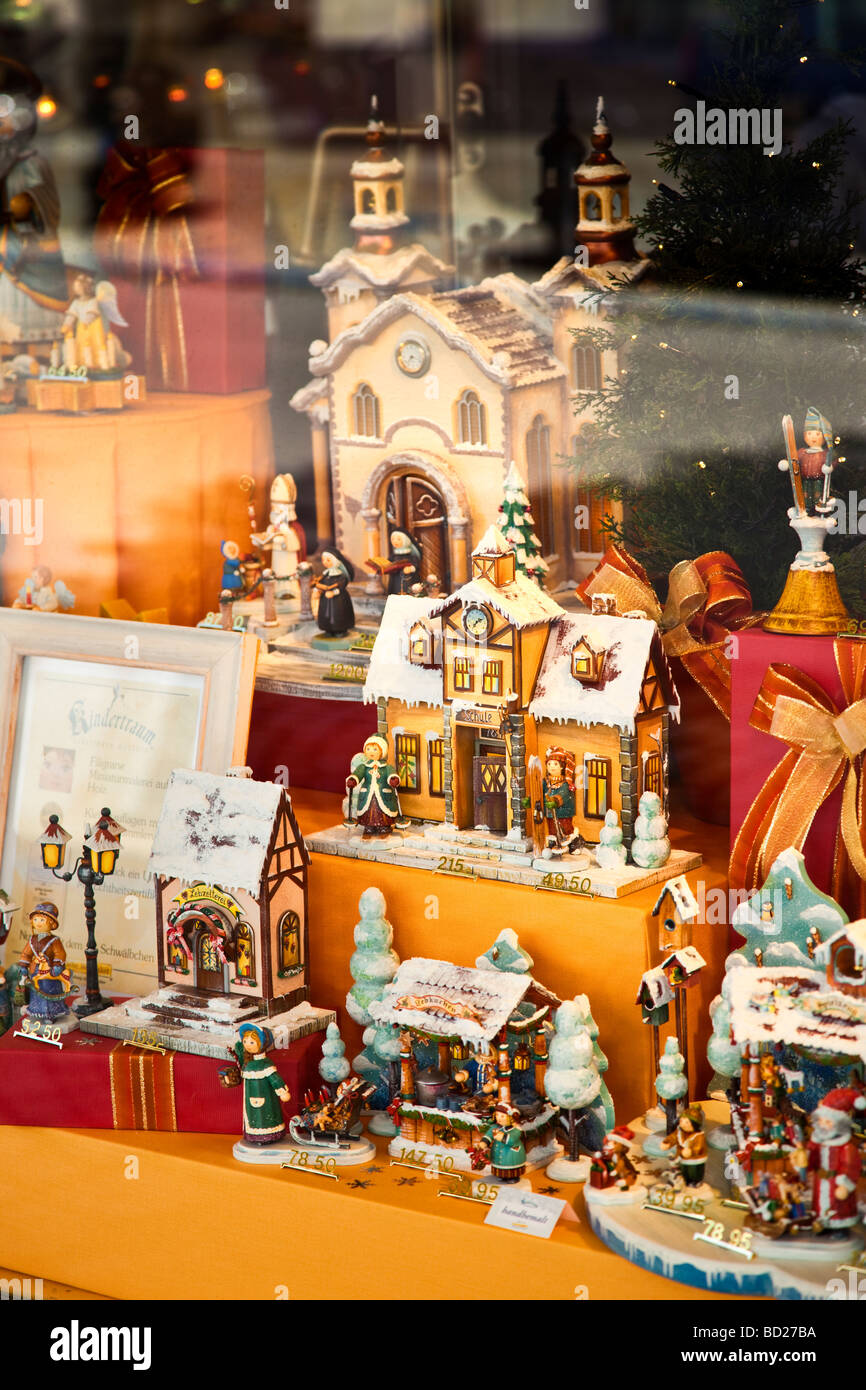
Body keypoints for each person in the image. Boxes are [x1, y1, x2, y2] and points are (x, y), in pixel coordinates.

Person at [231, 1022, 292, 1147]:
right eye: (245, 1041)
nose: (247, 1044)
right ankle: (254, 1135)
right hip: (250, 1098)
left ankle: (269, 1135)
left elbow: (274, 1078)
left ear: (262, 1044)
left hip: (264, 1098)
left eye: (252, 1042)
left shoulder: (265, 1064)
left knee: (265, 1115)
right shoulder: (248, 1063)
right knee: (253, 1116)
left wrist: (283, 1091)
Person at [17, 901, 73, 1025]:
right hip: (35, 970)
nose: (38, 923)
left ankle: (51, 1013)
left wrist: (58, 966)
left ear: (52, 924)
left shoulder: (54, 940)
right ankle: (37, 1011)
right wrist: (24, 966)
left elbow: (60, 954)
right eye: (35, 919)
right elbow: (26, 954)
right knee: (36, 990)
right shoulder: (32, 939)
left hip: (50, 972)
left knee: (49, 990)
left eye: (42, 920)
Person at [346, 735, 405, 836]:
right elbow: (358, 774)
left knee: (383, 810)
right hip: (367, 794)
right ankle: (369, 827)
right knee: (367, 811)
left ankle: (384, 827)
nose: (371, 752)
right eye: (368, 749)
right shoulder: (364, 767)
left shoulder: (386, 767)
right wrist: (353, 779)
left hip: (383, 794)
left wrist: (393, 779)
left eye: (375, 749)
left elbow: (391, 773)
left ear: (382, 751)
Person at [796, 406, 835, 516]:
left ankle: (819, 511)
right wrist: (786, 463)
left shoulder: (824, 453)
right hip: (805, 480)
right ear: (804, 436)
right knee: (805, 496)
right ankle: (807, 510)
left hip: (819, 480)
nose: (813, 437)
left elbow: (832, 462)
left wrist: (829, 467)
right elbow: (794, 460)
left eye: (817, 434)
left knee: (818, 495)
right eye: (809, 434)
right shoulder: (803, 452)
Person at [314, 550, 355, 637]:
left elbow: (342, 586)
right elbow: (320, 583)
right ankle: (328, 629)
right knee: (325, 613)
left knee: (338, 613)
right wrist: (318, 590)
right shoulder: (325, 574)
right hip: (325, 599)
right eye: (323, 560)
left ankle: (340, 630)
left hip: (338, 599)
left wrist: (334, 592)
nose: (325, 562)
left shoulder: (340, 575)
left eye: (328, 560)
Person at [482, 1102, 526, 1182]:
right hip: (497, 1155)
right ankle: (501, 1175)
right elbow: (489, 1134)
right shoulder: (496, 1127)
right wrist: (484, 1142)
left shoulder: (516, 1130)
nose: (499, 1118)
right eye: (497, 1115)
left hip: (511, 1154)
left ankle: (513, 1177)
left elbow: (512, 1140)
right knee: (499, 1167)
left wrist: (503, 1137)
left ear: (511, 1118)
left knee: (511, 1167)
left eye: (502, 1116)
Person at [387, 530, 423, 595]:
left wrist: (411, 569)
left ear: (405, 540)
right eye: (393, 539)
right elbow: (388, 564)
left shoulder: (411, 556)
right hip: (396, 581)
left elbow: (416, 566)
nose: (395, 541)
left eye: (398, 539)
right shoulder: (393, 556)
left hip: (408, 581)